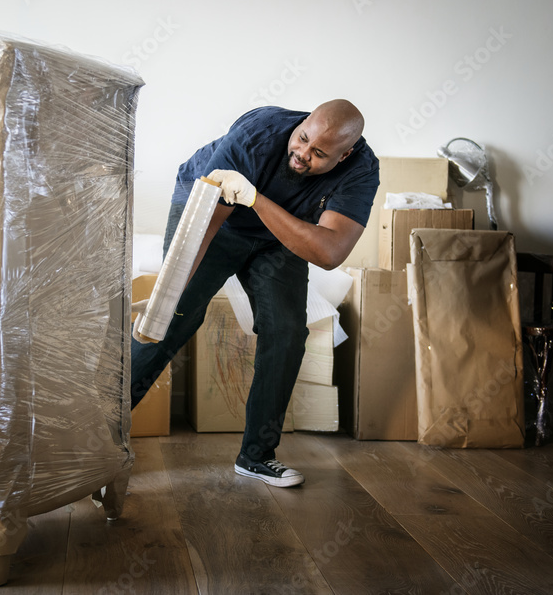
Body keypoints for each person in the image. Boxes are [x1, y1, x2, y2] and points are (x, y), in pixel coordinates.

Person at [131, 99, 379, 487]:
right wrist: (170, 290)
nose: (301, 154)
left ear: (345, 155)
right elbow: (208, 224)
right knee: (174, 317)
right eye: (301, 139)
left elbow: (330, 252)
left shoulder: (362, 171)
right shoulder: (258, 134)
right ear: (302, 123)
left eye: (318, 154)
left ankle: (257, 455)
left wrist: (256, 199)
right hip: (212, 211)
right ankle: (97, 439)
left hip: (277, 232)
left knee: (287, 329)